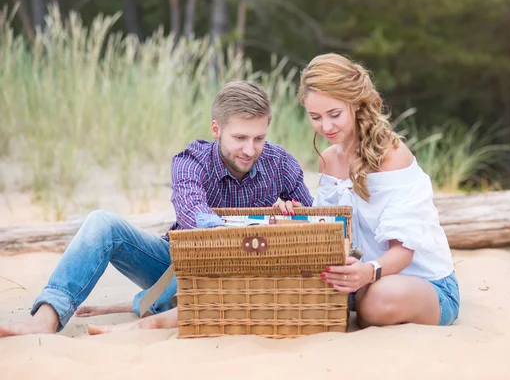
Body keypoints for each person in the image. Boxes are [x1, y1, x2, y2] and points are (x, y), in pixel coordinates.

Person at [0, 80, 313, 337]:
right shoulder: (189, 162)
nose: (250, 149)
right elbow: (195, 218)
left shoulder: (280, 163)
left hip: (248, 273)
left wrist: (292, 216)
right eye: (240, 137)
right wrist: (255, 227)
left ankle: (145, 306)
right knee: (101, 222)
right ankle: (46, 317)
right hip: (178, 267)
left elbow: (319, 225)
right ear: (216, 130)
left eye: (259, 138)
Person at [297, 53, 459, 327]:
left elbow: (404, 251)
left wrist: (367, 273)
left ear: (356, 104)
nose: (325, 127)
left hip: (419, 282)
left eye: (334, 114)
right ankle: (357, 296)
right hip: (356, 281)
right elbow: (332, 233)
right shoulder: (328, 159)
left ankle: (362, 298)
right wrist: (298, 218)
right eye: (315, 117)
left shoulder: (393, 157)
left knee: (377, 302)